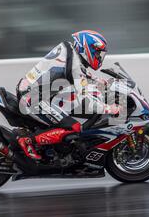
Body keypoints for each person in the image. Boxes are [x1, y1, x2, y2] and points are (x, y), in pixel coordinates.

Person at [16, 30, 121, 159]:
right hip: (33, 99)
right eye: (98, 53)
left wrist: (98, 80)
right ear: (88, 48)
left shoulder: (69, 50)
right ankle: (28, 140)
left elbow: (78, 73)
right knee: (74, 127)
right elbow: (86, 99)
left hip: (30, 91)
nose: (99, 57)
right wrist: (109, 108)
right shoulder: (75, 64)